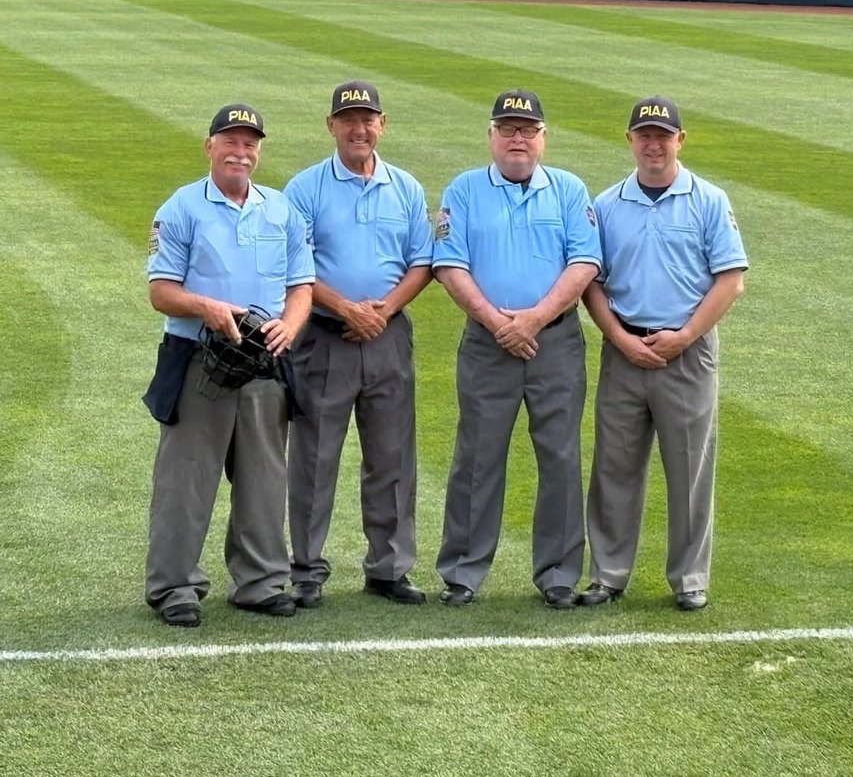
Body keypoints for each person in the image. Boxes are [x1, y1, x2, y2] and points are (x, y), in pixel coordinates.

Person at [142, 103, 314, 626]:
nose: (241, 151)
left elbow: (300, 284)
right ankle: (175, 587)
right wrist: (207, 307)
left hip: (264, 359)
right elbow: (161, 292)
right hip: (200, 359)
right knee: (187, 478)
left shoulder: (282, 209)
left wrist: (293, 322)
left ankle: (261, 582)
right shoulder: (182, 207)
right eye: (231, 141)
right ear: (210, 146)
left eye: (250, 143)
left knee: (264, 474)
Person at [431, 90, 601, 609]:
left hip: (554, 341)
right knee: (477, 456)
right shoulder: (462, 190)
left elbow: (585, 262)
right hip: (487, 342)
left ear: (543, 138)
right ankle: (463, 571)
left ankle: (558, 574)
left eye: (527, 130)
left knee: (560, 457)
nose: (517, 138)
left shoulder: (570, 190)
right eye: (507, 129)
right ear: (491, 136)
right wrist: (497, 321)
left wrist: (533, 318)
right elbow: (448, 264)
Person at [580, 95, 747, 612]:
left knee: (690, 468)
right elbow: (592, 283)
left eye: (663, 135)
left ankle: (690, 578)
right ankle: (608, 575)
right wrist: (618, 336)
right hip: (624, 348)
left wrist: (686, 335)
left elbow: (730, 281)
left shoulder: (710, 200)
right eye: (644, 135)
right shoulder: (606, 205)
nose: (654, 143)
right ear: (629, 140)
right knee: (614, 466)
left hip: (687, 352)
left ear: (681, 140)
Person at [283, 81, 433, 608]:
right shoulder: (304, 188)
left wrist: (382, 311)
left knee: (392, 456)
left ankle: (388, 568)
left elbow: (423, 262)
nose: (358, 128)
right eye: (348, 119)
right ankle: (306, 570)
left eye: (367, 119)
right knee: (315, 456)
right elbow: (295, 264)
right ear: (331, 126)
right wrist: (347, 308)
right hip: (324, 336)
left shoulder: (406, 188)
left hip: (388, 335)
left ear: (382, 124)